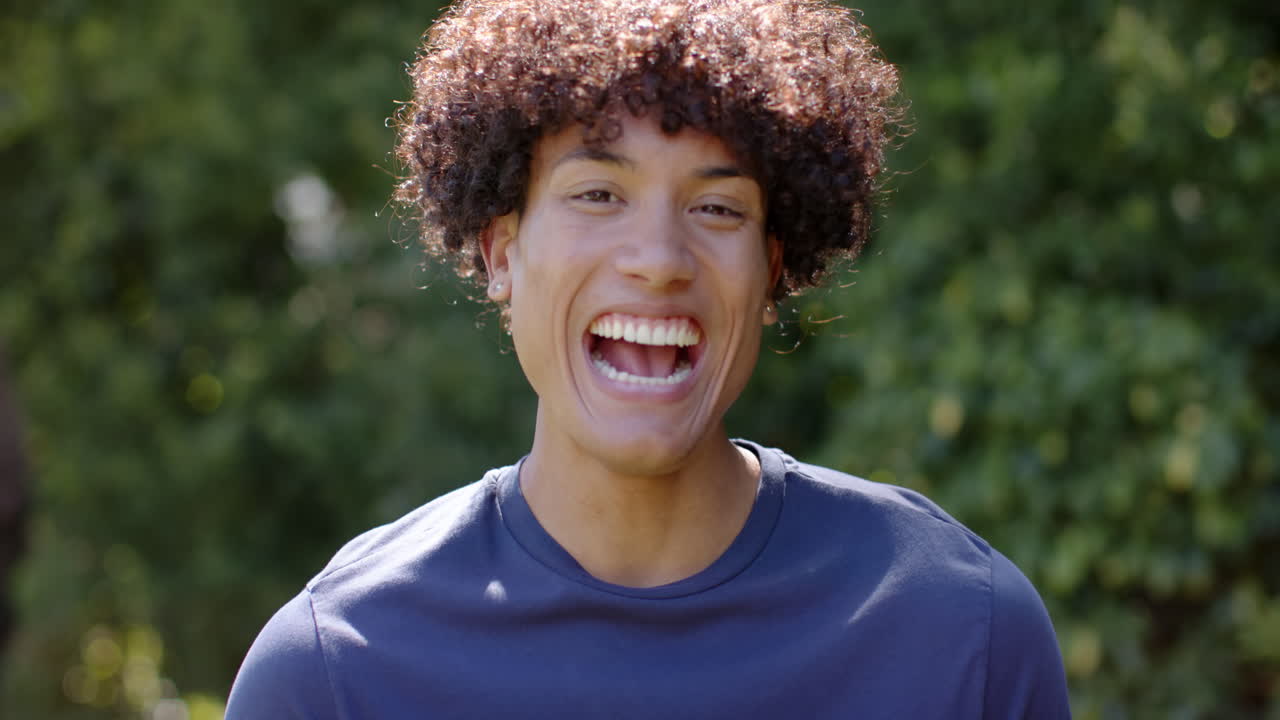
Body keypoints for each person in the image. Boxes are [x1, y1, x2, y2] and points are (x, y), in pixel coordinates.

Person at [227, 0, 1071, 717]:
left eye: (717, 207)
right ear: (501, 254)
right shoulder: (334, 673)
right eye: (598, 194)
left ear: (772, 269)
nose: (660, 259)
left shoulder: (962, 633)